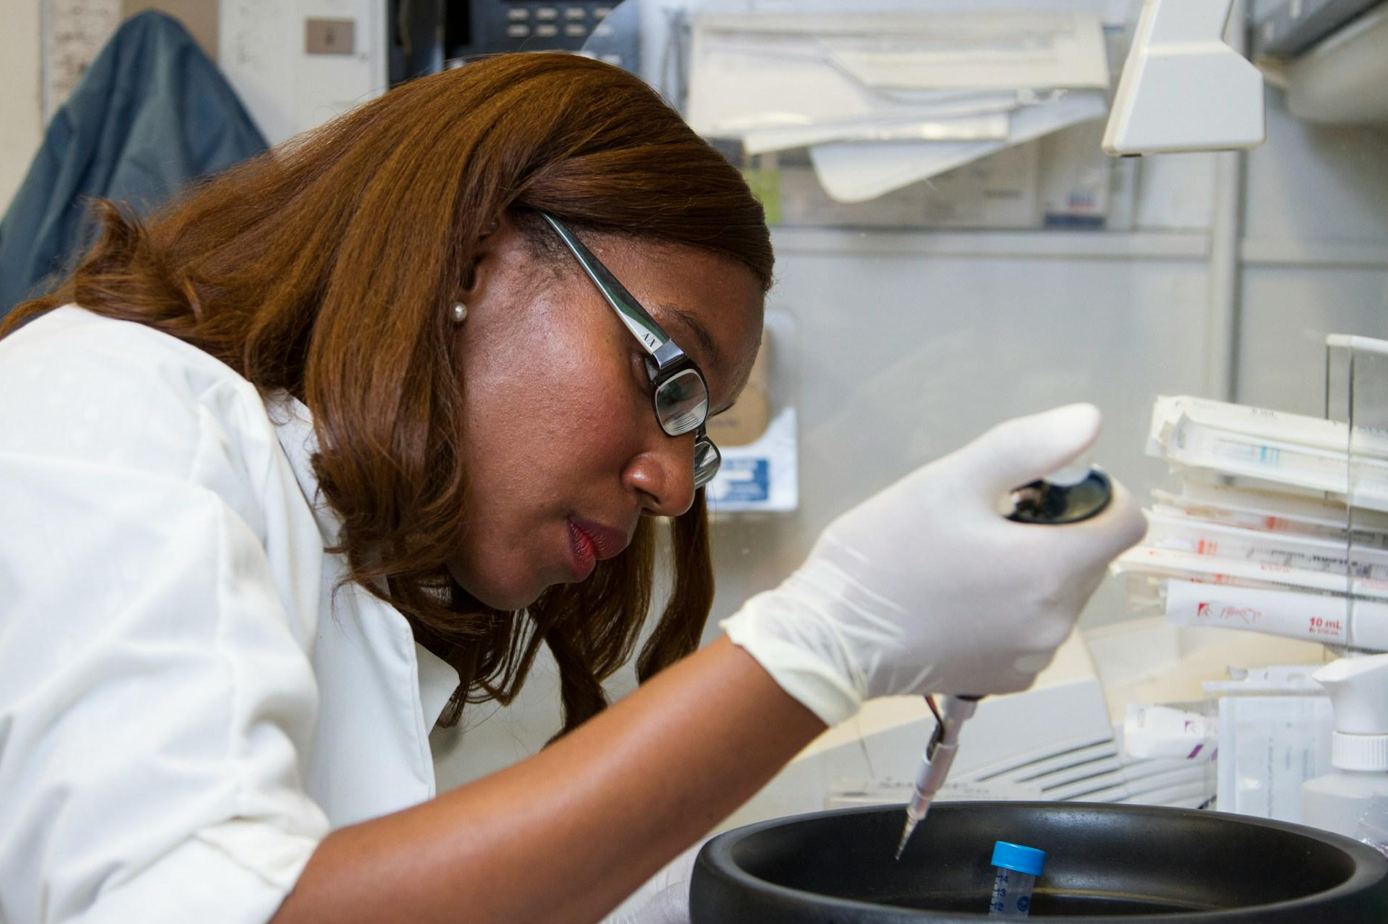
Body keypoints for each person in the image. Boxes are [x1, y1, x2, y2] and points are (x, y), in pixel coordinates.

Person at [0, 53, 1146, 924]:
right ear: (470, 258)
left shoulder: (339, 553)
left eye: (696, 432)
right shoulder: (107, 416)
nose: (670, 487)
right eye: (668, 376)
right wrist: (821, 647)